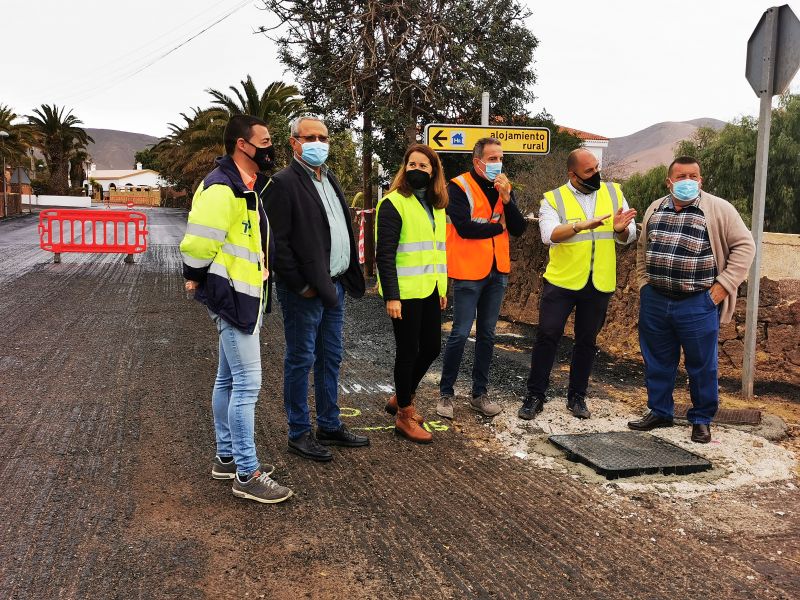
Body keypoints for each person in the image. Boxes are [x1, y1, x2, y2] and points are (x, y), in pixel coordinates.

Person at [179, 114, 291, 504]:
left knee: (228, 380)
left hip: (244, 296)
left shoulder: (247, 188)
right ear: (242, 145)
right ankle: (247, 472)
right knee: (247, 385)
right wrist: (194, 275)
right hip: (232, 298)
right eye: (264, 141)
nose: (270, 147)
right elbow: (197, 244)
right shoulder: (221, 189)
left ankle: (227, 457)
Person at [628, 156, 755, 443]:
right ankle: (660, 411)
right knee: (657, 361)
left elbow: (745, 246)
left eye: (693, 176)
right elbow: (642, 248)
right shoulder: (655, 208)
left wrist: (721, 289)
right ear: (669, 181)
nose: (688, 182)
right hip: (656, 300)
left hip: (698, 302)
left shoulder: (718, 209)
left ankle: (701, 419)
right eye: (681, 176)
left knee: (702, 365)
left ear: (701, 180)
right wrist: (643, 285)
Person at [264, 115, 368, 462]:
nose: (318, 144)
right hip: (306, 292)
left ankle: (329, 424)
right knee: (300, 359)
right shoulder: (282, 183)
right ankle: (298, 432)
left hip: (335, 285)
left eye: (323, 138)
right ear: (294, 142)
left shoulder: (330, 178)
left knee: (331, 357)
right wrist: (300, 285)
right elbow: (277, 243)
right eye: (310, 137)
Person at [519, 148, 637, 421]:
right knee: (547, 336)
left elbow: (628, 233)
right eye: (589, 171)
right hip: (561, 282)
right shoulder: (553, 199)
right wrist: (579, 226)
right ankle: (535, 396)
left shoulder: (613, 192)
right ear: (572, 174)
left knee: (586, 341)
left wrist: (621, 230)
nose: (596, 174)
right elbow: (548, 235)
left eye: (597, 168)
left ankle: (577, 397)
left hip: (598, 283)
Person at [437, 137, 527, 419]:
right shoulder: (458, 186)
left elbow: (519, 227)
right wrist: (495, 228)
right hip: (468, 271)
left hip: (497, 271)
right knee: (460, 333)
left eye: (500, 158)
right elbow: (463, 228)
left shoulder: (504, 188)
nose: (497, 163)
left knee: (488, 335)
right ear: (477, 162)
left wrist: (508, 200)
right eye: (492, 159)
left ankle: (479, 394)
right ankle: (446, 394)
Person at [376, 144, 448, 443]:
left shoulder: (436, 206)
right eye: (412, 165)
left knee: (430, 347)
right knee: (407, 351)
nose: (417, 170)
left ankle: (400, 396)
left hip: (430, 289)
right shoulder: (393, 203)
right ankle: (404, 414)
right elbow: (385, 254)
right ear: (404, 169)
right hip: (404, 292)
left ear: (433, 172)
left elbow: (438, 251)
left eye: (423, 166)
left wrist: (442, 288)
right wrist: (391, 295)